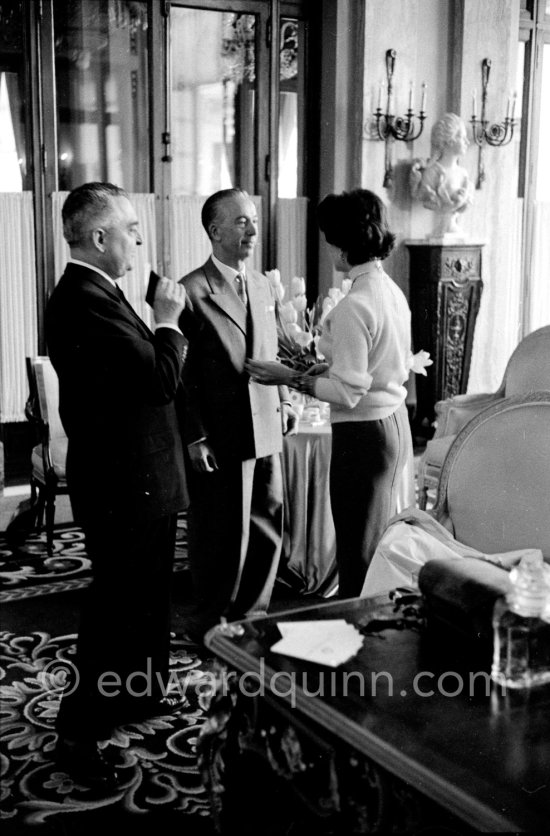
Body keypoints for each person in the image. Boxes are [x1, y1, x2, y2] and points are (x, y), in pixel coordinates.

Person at [45, 182, 187, 789]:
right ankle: (78, 733)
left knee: (148, 598)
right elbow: (160, 379)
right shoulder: (82, 300)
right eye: (130, 229)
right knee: (117, 607)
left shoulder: (98, 292)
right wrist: (169, 322)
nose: (137, 239)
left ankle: (142, 693)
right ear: (99, 238)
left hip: (141, 476)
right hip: (122, 483)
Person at [246, 188, 418, 599]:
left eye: (329, 242)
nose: (329, 252)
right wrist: (328, 369)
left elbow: (348, 393)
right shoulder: (389, 291)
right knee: (375, 542)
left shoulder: (353, 306)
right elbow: (377, 366)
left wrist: (287, 376)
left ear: (342, 246)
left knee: (357, 552)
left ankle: (355, 647)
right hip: (393, 425)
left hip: (363, 438)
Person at [178, 187, 298, 641]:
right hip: (220, 433)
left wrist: (285, 401)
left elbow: (270, 351)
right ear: (214, 231)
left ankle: (253, 615)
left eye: (253, 220)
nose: (252, 229)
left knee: (267, 520)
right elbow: (181, 378)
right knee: (219, 531)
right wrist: (194, 436)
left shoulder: (264, 284)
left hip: (265, 421)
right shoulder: (191, 290)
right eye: (241, 221)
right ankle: (212, 622)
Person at [410, 112, 473, 236]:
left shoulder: (463, 174)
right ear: (449, 140)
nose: (467, 142)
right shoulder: (432, 173)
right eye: (462, 137)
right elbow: (427, 198)